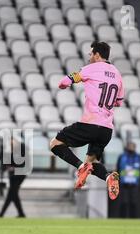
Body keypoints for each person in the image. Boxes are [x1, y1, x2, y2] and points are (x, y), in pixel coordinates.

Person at [49, 41, 124, 200]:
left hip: (90, 123)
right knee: (93, 162)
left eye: (90, 54)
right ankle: (108, 177)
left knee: (55, 144)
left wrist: (64, 85)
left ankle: (80, 167)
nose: (89, 57)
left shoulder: (90, 68)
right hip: (106, 129)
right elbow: (119, 101)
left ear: (97, 55)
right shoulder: (117, 74)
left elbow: (64, 81)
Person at [0, 136, 27, 218]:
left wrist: (14, 167)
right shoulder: (7, 150)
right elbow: (2, 161)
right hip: (12, 175)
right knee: (13, 194)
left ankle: (2, 213)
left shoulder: (22, 147)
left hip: (20, 175)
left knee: (12, 193)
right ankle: (21, 214)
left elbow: (23, 162)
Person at [116, 141, 140, 218]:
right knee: (123, 202)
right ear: (127, 147)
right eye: (130, 146)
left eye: (133, 146)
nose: (132, 148)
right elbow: (118, 169)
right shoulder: (121, 157)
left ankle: (133, 219)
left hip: (134, 184)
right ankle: (122, 218)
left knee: (134, 202)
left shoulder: (139, 157)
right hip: (123, 183)